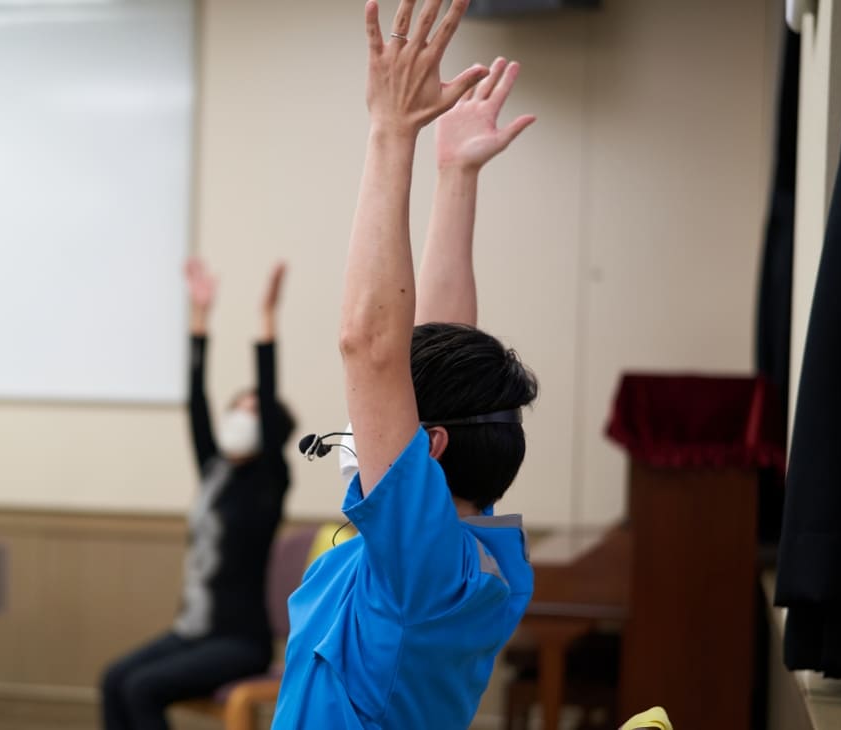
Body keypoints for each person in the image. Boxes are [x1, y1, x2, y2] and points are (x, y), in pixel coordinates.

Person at [271, 1, 539, 727]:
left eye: (387, 416)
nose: (362, 421)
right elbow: (434, 344)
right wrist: (455, 177)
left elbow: (371, 342)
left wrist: (393, 134)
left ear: (430, 447)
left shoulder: (422, 571)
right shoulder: (471, 559)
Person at [101, 260, 296, 730]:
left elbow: (268, 402)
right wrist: (200, 318)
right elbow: (195, 400)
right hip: (191, 632)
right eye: (237, 407)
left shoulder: (270, 479)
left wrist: (266, 320)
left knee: (142, 689)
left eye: (252, 411)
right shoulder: (214, 471)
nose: (240, 417)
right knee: (114, 680)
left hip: (238, 642)